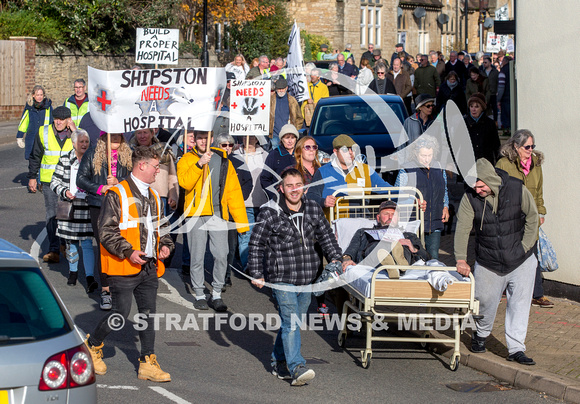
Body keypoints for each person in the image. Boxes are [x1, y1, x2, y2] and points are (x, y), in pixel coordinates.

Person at [84, 146, 174, 382]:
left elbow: (161, 227)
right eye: (155, 166)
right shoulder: (118, 193)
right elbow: (105, 231)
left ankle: (147, 361)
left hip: (149, 266)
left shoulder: (153, 196)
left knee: (147, 314)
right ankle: (92, 345)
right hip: (123, 265)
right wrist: (128, 251)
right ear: (141, 165)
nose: (158, 171)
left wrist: (166, 244)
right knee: (120, 314)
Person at [248, 168, 342, 386]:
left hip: (307, 277)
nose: (294, 190)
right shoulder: (269, 212)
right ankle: (297, 366)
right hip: (281, 277)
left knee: (293, 323)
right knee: (291, 322)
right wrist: (256, 273)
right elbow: (256, 245)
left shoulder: (312, 208)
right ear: (281, 188)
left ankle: (278, 361)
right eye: (289, 185)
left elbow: (326, 235)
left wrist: (336, 258)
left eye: (298, 185)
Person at [455, 158, 539, 365]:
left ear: (491, 180)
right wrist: (460, 259)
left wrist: (525, 247)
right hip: (488, 260)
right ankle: (480, 334)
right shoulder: (470, 197)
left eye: (480, 185)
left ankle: (516, 348)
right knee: (483, 301)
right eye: (473, 185)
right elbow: (463, 228)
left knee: (519, 305)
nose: (477, 189)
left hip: (521, 260)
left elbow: (533, 217)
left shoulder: (516, 189)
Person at [176, 131, 249, 311]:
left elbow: (234, 192)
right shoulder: (186, 159)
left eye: (205, 137)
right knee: (197, 256)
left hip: (218, 213)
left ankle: (216, 293)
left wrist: (241, 223)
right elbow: (185, 183)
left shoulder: (223, 160)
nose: (202, 141)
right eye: (199, 137)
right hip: (196, 214)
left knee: (221, 254)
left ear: (211, 139)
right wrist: (199, 164)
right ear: (194, 140)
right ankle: (200, 293)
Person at [496, 129, 552, 308]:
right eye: (527, 146)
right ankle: (500, 290)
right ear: (516, 146)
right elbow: (496, 191)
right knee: (508, 254)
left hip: (531, 217)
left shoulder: (536, 164)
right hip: (510, 216)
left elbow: (539, 191)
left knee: (531, 255)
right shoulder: (504, 164)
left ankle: (537, 294)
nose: (530, 149)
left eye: (532, 146)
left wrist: (541, 212)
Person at [77, 132, 133, 310]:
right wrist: (101, 188)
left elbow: (134, 179)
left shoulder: (128, 153)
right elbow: (81, 179)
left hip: (122, 206)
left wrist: (120, 181)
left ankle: (121, 285)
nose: (115, 138)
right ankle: (106, 290)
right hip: (99, 206)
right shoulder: (93, 153)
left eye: (118, 135)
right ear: (103, 136)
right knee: (104, 247)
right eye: (111, 135)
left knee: (122, 244)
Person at [27, 106, 75, 263]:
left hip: (68, 182)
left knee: (65, 214)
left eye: (62, 119)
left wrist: (74, 132)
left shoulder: (76, 134)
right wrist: (32, 177)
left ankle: (63, 244)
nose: (59, 122)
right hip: (48, 181)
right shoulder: (43, 132)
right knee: (51, 214)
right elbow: (35, 156)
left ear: (68, 120)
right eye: (56, 119)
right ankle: (54, 249)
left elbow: (85, 151)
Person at [50, 129, 96, 290]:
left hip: (87, 206)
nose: (84, 144)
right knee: (71, 242)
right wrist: (64, 191)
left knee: (87, 243)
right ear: (74, 143)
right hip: (69, 205)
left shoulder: (93, 160)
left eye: (86, 141)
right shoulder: (64, 160)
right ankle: (73, 272)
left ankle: (90, 277)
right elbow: (54, 181)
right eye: (81, 142)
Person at [396, 135, 449, 259]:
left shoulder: (439, 168)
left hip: (435, 220)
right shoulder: (407, 169)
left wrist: (445, 206)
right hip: (414, 221)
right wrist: (414, 201)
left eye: (429, 155)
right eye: (423, 155)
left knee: (433, 255)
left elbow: (444, 190)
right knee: (416, 255)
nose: (426, 159)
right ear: (415, 153)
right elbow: (397, 195)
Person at [309, 135, 393, 212]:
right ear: (335, 152)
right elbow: (310, 196)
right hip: (333, 224)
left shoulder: (365, 170)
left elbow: (387, 189)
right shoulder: (323, 171)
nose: (350, 152)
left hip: (361, 222)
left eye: (352, 149)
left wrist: (403, 194)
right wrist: (323, 202)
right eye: (345, 149)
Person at [342, 200, 430, 270]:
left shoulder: (409, 236)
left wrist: (413, 248)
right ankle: (391, 263)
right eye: (386, 214)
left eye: (393, 214)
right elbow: (350, 251)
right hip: (373, 258)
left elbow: (428, 258)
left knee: (402, 248)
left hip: (401, 252)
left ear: (398, 218)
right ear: (378, 217)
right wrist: (347, 260)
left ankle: (396, 263)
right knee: (377, 247)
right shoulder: (364, 233)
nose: (390, 217)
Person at [212, 134, 252, 287]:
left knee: (230, 246)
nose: (228, 148)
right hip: (215, 210)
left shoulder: (238, 160)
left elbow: (248, 181)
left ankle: (226, 275)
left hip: (231, 212)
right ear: (217, 145)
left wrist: (239, 198)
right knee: (216, 248)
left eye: (230, 145)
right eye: (224, 145)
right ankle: (216, 274)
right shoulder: (213, 159)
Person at [232, 135, 268, 271]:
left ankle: (259, 264)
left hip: (262, 203)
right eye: (248, 135)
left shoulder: (266, 155)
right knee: (245, 235)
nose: (250, 138)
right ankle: (248, 266)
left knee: (261, 238)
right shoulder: (235, 155)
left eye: (254, 135)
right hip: (244, 203)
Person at [260, 124, 299, 200]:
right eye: (287, 138)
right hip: (280, 197)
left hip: (298, 196)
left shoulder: (300, 153)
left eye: (293, 138)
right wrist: (274, 194)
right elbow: (265, 178)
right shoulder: (274, 155)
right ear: (282, 139)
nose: (290, 141)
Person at [16, 85, 53, 161]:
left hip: (45, 138)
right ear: (33, 95)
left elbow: (52, 122)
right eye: (37, 95)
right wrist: (19, 137)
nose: (39, 97)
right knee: (32, 162)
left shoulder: (48, 107)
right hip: (31, 137)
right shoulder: (29, 107)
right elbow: (24, 122)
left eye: (41, 95)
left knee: (44, 160)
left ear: (44, 95)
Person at [464, 93, 501, 165]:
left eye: (477, 106)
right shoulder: (463, 123)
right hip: (467, 165)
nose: (473, 109)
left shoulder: (490, 124)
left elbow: (496, 146)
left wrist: (498, 163)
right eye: (471, 106)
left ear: (482, 107)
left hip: (486, 165)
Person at [269, 78, 304, 149]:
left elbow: (299, 118)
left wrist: (294, 130)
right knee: (276, 155)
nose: (281, 90)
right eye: (279, 89)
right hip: (275, 134)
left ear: (286, 88)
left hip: (288, 135)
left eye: (283, 88)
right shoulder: (270, 100)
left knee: (288, 154)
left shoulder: (292, 101)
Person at [481, 56, 499, 121]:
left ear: (490, 63)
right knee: (485, 108)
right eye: (483, 62)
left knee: (494, 108)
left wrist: (497, 91)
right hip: (485, 93)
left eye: (485, 62)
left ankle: (495, 121)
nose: (484, 64)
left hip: (493, 92)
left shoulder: (495, 72)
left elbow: (497, 81)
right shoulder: (482, 72)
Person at [497, 56, 513, 133]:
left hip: (505, 97)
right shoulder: (514, 69)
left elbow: (501, 87)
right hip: (513, 97)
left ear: (504, 61)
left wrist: (498, 99)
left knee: (506, 118)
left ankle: (507, 132)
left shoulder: (503, 71)